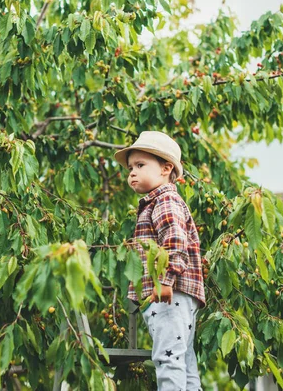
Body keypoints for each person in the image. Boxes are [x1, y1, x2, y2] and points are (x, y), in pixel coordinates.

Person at [114, 131, 205, 391]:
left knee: (167, 358)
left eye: (140, 165)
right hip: (175, 294)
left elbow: (175, 242)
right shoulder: (156, 202)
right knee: (183, 359)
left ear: (166, 169)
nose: (132, 173)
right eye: (131, 167)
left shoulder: (164, 200)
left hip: (170, 293)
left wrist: (164, 281)